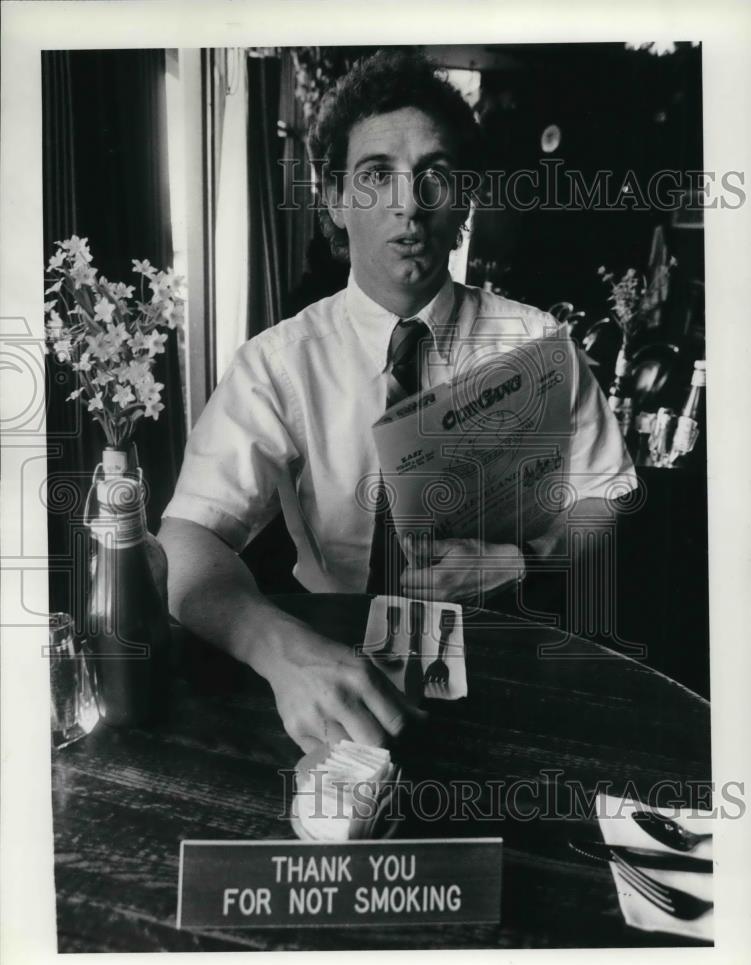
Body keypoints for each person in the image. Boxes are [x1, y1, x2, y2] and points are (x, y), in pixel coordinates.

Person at [159, 49, 636, 753]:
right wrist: (278, 648)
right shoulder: (276, 363)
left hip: (507, 646)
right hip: (326, 656)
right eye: (376, 174)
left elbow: (608, 503)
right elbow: (187, 542)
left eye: (434, 176)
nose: (408, 203)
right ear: (335, 200)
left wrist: (525, 559)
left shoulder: (537, 345)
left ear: (464, 199)